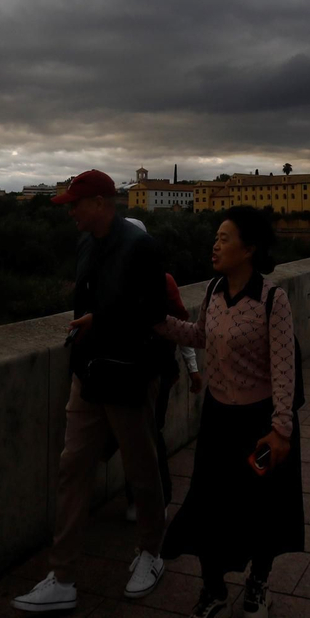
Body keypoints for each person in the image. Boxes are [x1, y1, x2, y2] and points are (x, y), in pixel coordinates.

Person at [15, 171, 170, 613]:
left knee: (141, 469)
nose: (71, 212)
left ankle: (152, 553)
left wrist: (100, 321)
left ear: (103, 203)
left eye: (76, 204)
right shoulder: (85, 243)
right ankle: (62, 576)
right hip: (89, 374)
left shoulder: (141, 247)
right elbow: (88, 301)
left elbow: (154, 314)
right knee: (72, 469)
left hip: (127, 375)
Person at [154, 207, 303, 618]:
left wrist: (281, 430)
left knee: (262, 508)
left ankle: (258, 581)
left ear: (249, 248)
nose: (215, 245)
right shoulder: (215, 290)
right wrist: (157, 322)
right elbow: (200, 335)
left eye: (224, 238)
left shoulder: (273, 298)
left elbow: (284, 368)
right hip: (218, 421)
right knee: (209, 507)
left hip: (260, 425)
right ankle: (213, 588)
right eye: (215, 238)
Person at [119, 219, 203, 522]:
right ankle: (144, 498)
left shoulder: (162, 282)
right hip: (129, 370)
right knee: (137, 436)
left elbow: (181, 329)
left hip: (157, 370)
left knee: (149, 434)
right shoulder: (115, 278)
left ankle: (155, 498)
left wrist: (193, 369)